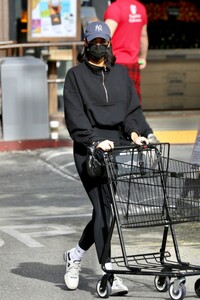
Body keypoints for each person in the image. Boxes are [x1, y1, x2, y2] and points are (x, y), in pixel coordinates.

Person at [63, 21, 148, 296]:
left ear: (109, 43)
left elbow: (132, 109)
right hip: (90, 150)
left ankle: (75, 255)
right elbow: (75, 117)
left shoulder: (121, 74)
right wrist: (94, 140)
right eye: (94, 40)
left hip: (118, 148)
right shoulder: (75, 76)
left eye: (103, 40)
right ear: (86, 45)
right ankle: (109, 272)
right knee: (104, 207)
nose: (99, 45)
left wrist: (137, 132)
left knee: (106, 210)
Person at [104, 0, 160, 144]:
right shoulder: (141, 8)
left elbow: (105, 36)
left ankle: (130, 135)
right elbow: (143, 36)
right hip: (133, 62)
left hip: (115, 63)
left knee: (115, 102)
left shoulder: (115, 9)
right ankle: (146, 132)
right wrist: (143, 57)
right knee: (133, 102)